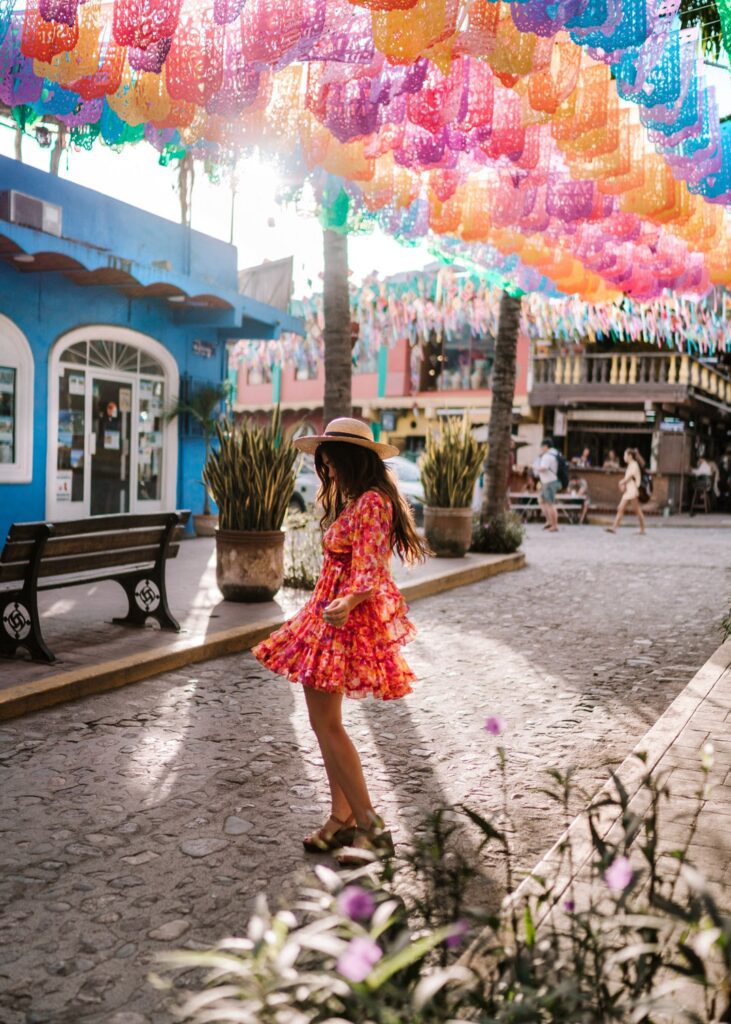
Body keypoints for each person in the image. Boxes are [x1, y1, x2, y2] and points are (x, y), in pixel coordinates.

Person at [252, 417, 430, 862]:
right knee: (323, 724)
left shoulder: (371, 502)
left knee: (328, 725)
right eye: (322, 461)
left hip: (339, 620)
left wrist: (347, 604)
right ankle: (341, 819)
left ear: (350, 459)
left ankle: (372, 827)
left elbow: (369, 568)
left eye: (330, 460)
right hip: (328, 614)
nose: (325, 468)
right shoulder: (361, 500)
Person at [605, 448, 646, 535]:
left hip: (633, 492)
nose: (624, 457)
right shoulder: (630, 465)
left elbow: (629, 477)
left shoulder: (634, 465)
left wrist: (621, 482)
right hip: (629, 492)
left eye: (625, 455)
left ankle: (642, 529)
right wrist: (624, 485)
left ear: (630, 456)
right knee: (620, 508)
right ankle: (614, 527)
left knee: (637, 510)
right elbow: (628, 479)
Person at [532, 437, 560, 532]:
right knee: (541, 500)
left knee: (550, 504)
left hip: (549, 482)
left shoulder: (548, 456)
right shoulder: (553, 454)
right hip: (546, 482)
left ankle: (555, 525)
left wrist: (535, 467)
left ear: (546, 446)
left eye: (542, 446)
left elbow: (544, 468)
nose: (541, 448)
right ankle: (549, 521)